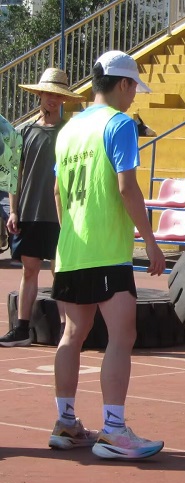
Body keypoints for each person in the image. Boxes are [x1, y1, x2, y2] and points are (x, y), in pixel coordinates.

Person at [49, 50, 166, 460]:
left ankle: (66, 422)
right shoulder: (119, 124)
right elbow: (126, 187)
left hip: (71, 248)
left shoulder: (66, 130)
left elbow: (59, 193)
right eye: (134, 86)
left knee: (72, 334)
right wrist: (150, 240)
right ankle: (114, 430)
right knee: (122, 335)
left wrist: (68, 236)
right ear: (122, 84)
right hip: (106, 250)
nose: (134, 96)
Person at [0, 69, 84, 347]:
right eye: (48, 93)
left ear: (64, 99)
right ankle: (22, 328)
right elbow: (15, 175)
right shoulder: (23, 132)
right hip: (30, 212)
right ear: (40, 95)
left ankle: (64, 330)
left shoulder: (71, 132)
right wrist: (13, 211)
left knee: (60, 270)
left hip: (62, 215)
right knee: (29, 270)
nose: (52, 99)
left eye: (58, 95)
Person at [0, 113, 23, 254]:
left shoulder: (7, 130)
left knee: (15, 216)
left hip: (5, 179)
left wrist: (13, 212)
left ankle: (17, 248)